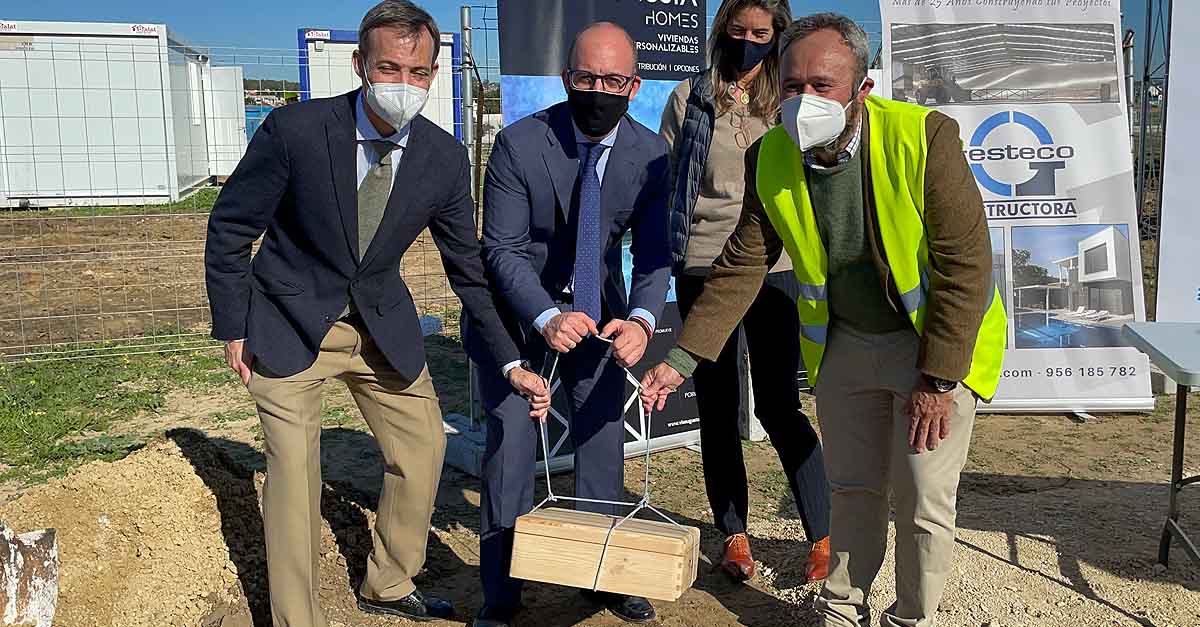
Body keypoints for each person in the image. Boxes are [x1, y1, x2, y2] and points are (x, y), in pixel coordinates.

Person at [640, 13, 1006, 627]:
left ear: (862, 88)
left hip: (932, 348)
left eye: (822, 85)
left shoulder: (926, 138)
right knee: (853, 492)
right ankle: (841, 608)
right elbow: (739, 267)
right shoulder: (769, 156)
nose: (803, 99)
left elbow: (966, 267)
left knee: (922, 500)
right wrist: (680, 360)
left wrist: (940, 379)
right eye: (792, 85)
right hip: (846, 348)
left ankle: (913, 617)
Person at [203, 2, 550, 625]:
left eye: (418, 72)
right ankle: (296, 618)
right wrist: (233, 324)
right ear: (360, 64)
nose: (403, 84)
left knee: (422, 450)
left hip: (379, 325)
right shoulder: (295, 132)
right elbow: (230, 229)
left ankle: (389, 581)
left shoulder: (443, 158)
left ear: (435, 72)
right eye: (389, 67)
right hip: (286, 320)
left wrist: (513, 359)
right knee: (294, 479)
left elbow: (468, 269)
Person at [463, 21, 671, 627]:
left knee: (603, 439)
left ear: (634, 86)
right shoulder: (519, 144)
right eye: (586, 78)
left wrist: (640, 318)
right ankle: (501, 595)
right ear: (565, 79)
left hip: (598, 313)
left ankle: (600, 578)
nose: (598, 89)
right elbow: (500, 248)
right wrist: (547, 316)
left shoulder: (650, 153)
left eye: (612, 80)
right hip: (518, 317)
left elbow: (655, 253)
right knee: (510, 450)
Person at [658, 0, 831, 584]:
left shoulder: (791, 101)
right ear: (722, 32)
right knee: (718, 408)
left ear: (778, 36)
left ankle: (823, 533)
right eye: (739, 31)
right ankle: (733, 532)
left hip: (773, 263)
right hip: (705, 265)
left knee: (779, 405)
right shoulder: (688, 100)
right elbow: (669, 185)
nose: (750, 42)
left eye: (762, 33)